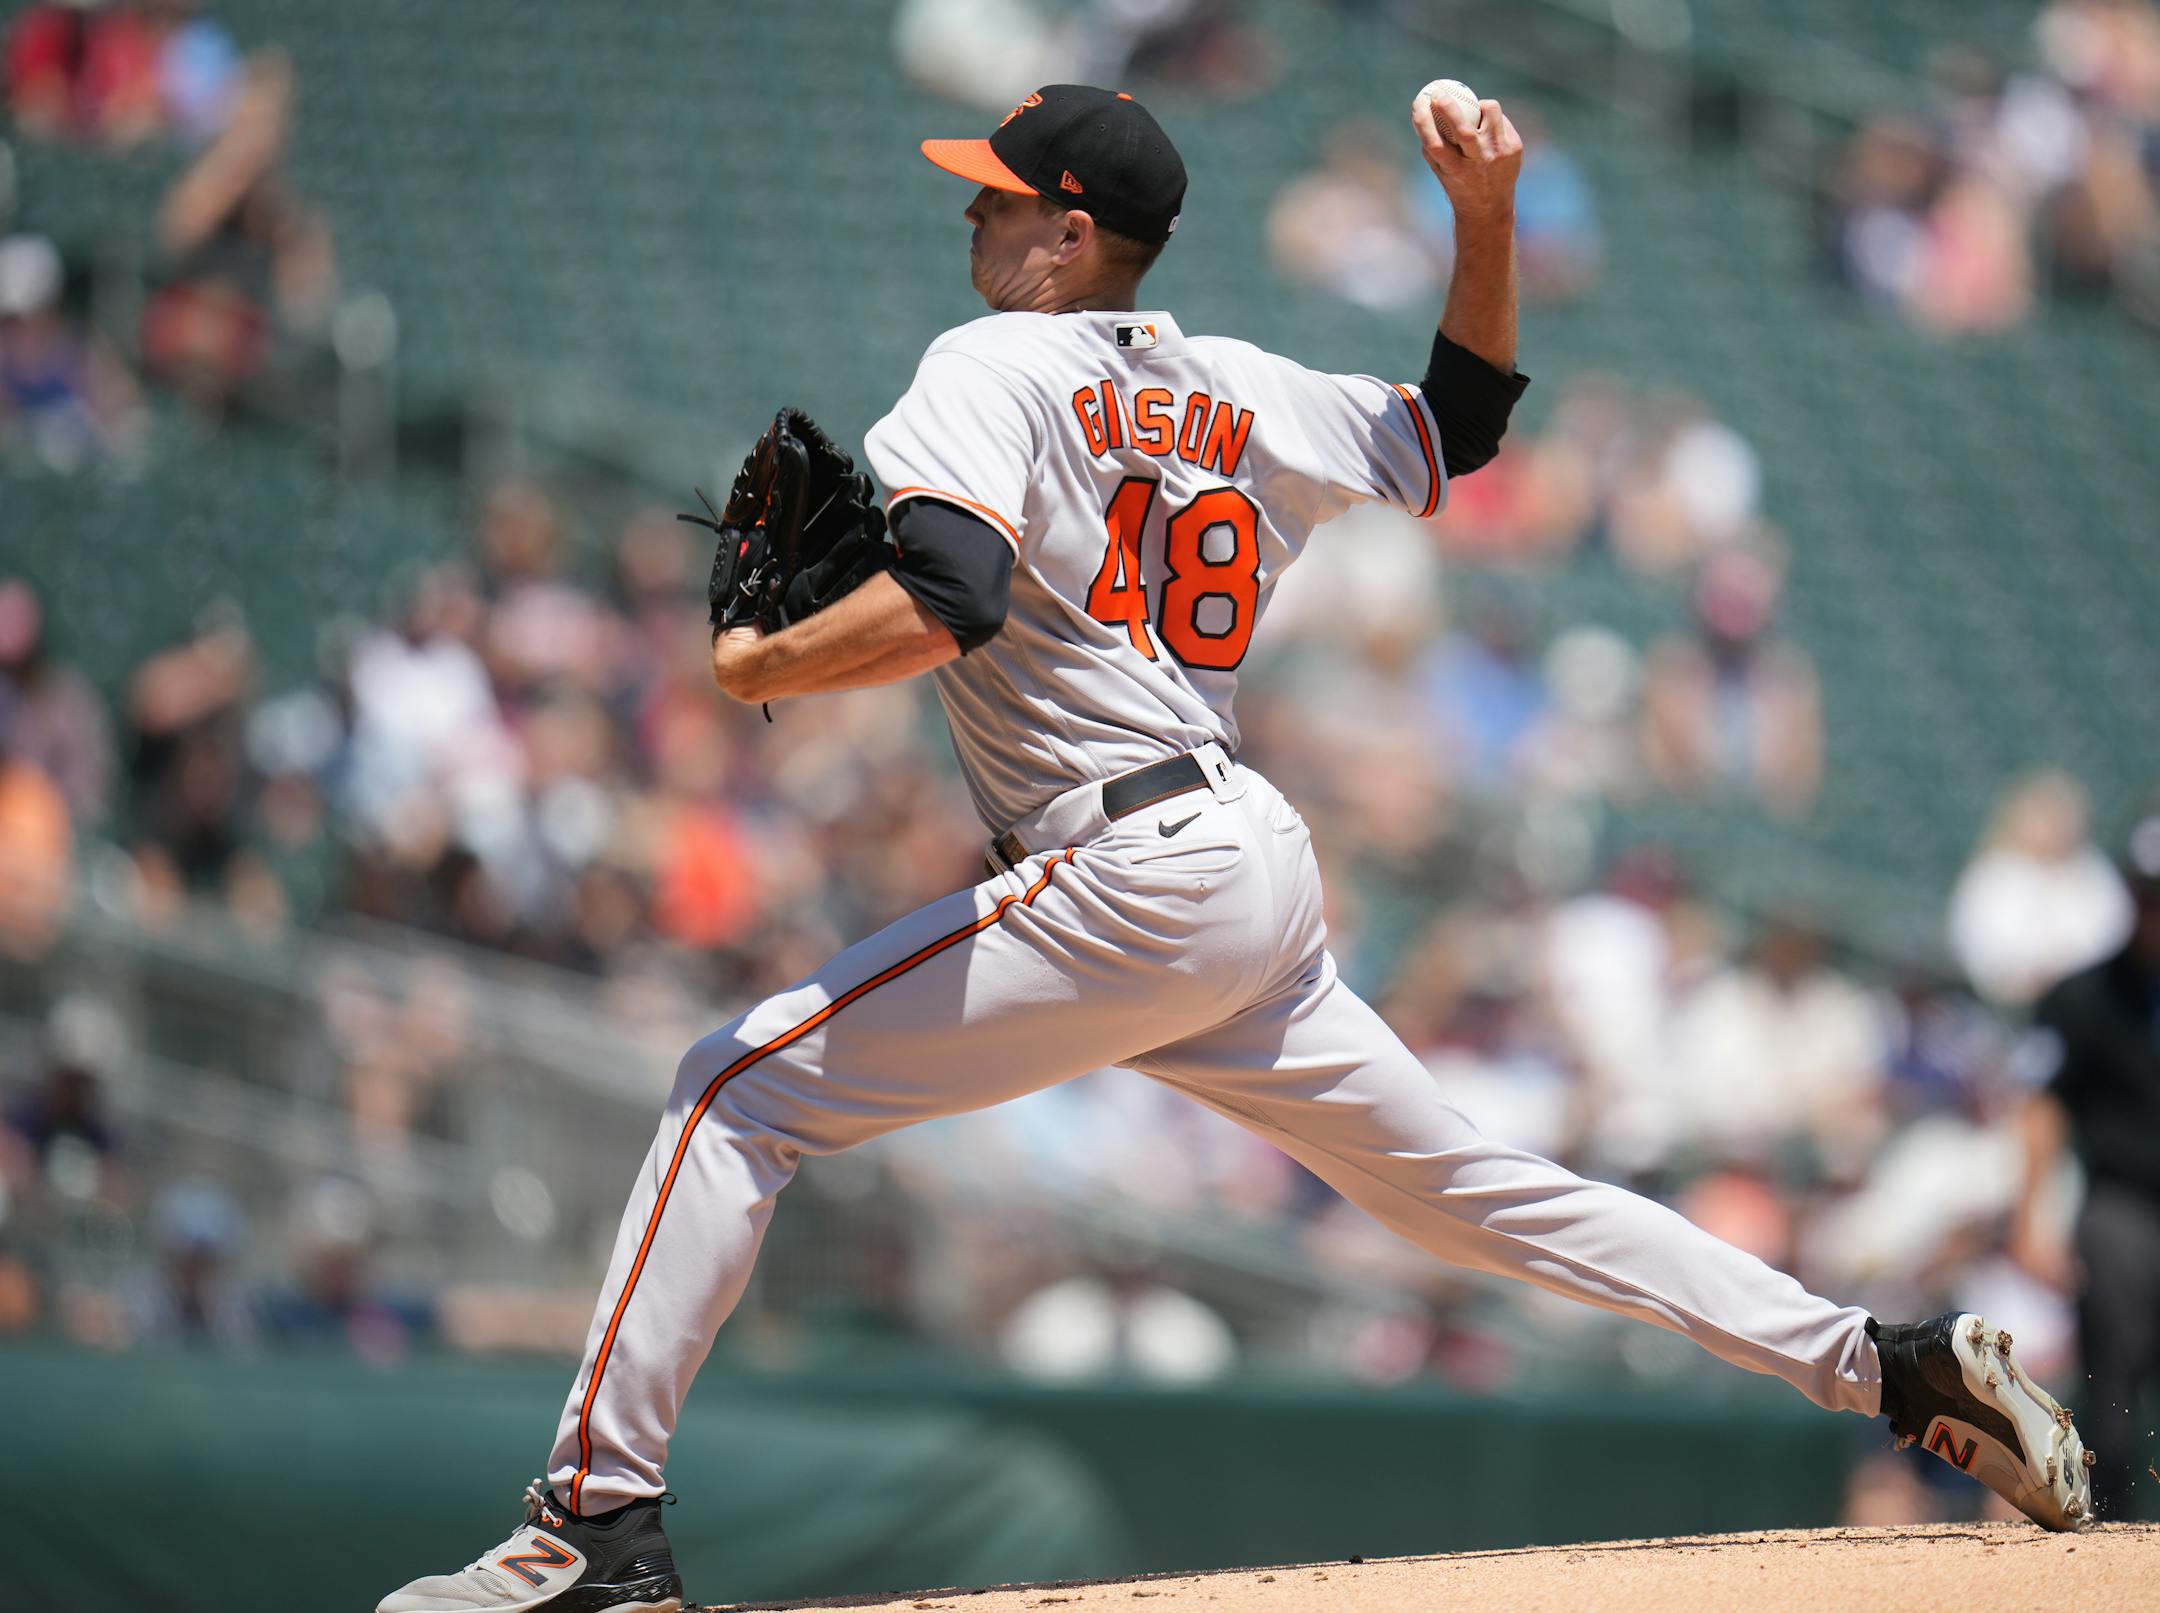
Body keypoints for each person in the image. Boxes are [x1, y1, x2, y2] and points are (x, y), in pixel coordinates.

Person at [378, 84, 2093, 1613]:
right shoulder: (1241, 384)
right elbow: (1463, 418)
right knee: (1488, 1195)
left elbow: (955, 598)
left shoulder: (990, 363)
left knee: (728, 1086)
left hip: (1126, 859)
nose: (966, 215)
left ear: (1067, 237)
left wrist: (761, 661)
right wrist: (1483, 223)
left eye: (993, 195)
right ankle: (1886, 1360)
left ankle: (589, 1532)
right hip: (1237, 862)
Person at [2011, 807, 2160, 1519]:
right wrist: (2031, 1217)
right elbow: (2041, 1106)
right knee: (2115, 1393)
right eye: (2148, 893)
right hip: (2123, 1200)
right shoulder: (2084, 995)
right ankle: (2106, 1542)